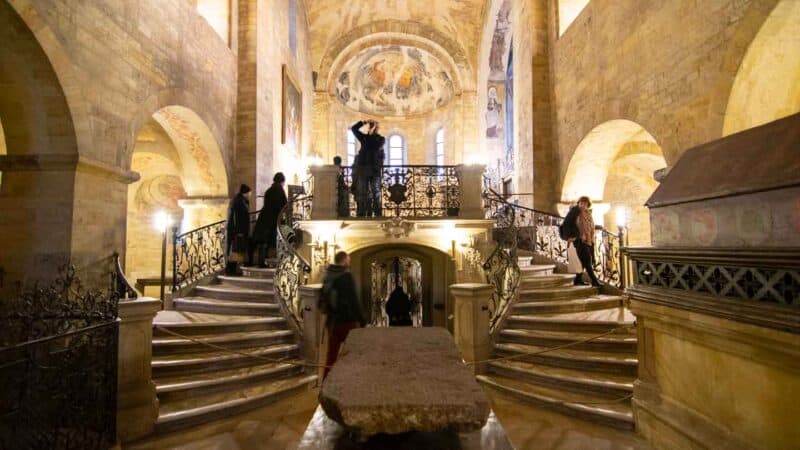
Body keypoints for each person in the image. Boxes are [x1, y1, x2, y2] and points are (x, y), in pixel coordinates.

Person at [321, 251, 367, 379]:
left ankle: (326, 384)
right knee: (353, 353)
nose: (350, 261)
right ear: (344, 260)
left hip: (332, 322)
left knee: (331, 355)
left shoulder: (328, 275)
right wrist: (362, 319)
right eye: (348, 259)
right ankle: (350, 383)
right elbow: (353, 300)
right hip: (346, 321)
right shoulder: (346, 276)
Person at [562, 196, 601, 287]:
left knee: (583, 261)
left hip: (588, 241)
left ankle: (578, 280)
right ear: (578, 203)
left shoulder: (588, 214)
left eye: (585, 203)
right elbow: (566, 224)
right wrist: (572, 236)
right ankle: (594, 281)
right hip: (579, 241)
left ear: (588, 205)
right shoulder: (575, 212)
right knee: (587, 260)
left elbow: (590, 227)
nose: (582, 205)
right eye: (581, 203)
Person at [252, 173, 287, 267]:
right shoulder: (279, 190)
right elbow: (284, 205)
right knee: (270, 240)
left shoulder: (269, 190)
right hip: (273, 218)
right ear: (282, 181)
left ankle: (262, 261)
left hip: (264, 217)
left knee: (263, 241)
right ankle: (268, 261)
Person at [351, 119, 385, 217]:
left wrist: (370, 134)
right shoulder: (364, 137)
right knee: (362, 191)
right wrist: (363, 122)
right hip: (363, 169)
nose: (372, 127)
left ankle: (377, 213)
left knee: (376, 192)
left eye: (374, 126)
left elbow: (374, 146)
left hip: (374, 169)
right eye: (371, 126)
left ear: (377, 128)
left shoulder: (381, 139)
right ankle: (362, 213)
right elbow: (354, 129)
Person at [226, 184, 252, 275]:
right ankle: (231, 270)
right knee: (235, 251)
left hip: (237, 230)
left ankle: (232, 270)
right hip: (237, 231)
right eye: (249, 193)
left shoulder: (240, 201)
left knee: (236, 251)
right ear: (245, 193)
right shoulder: (239, 202)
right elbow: (237, 218)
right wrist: (238, 231)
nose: (250, 194)